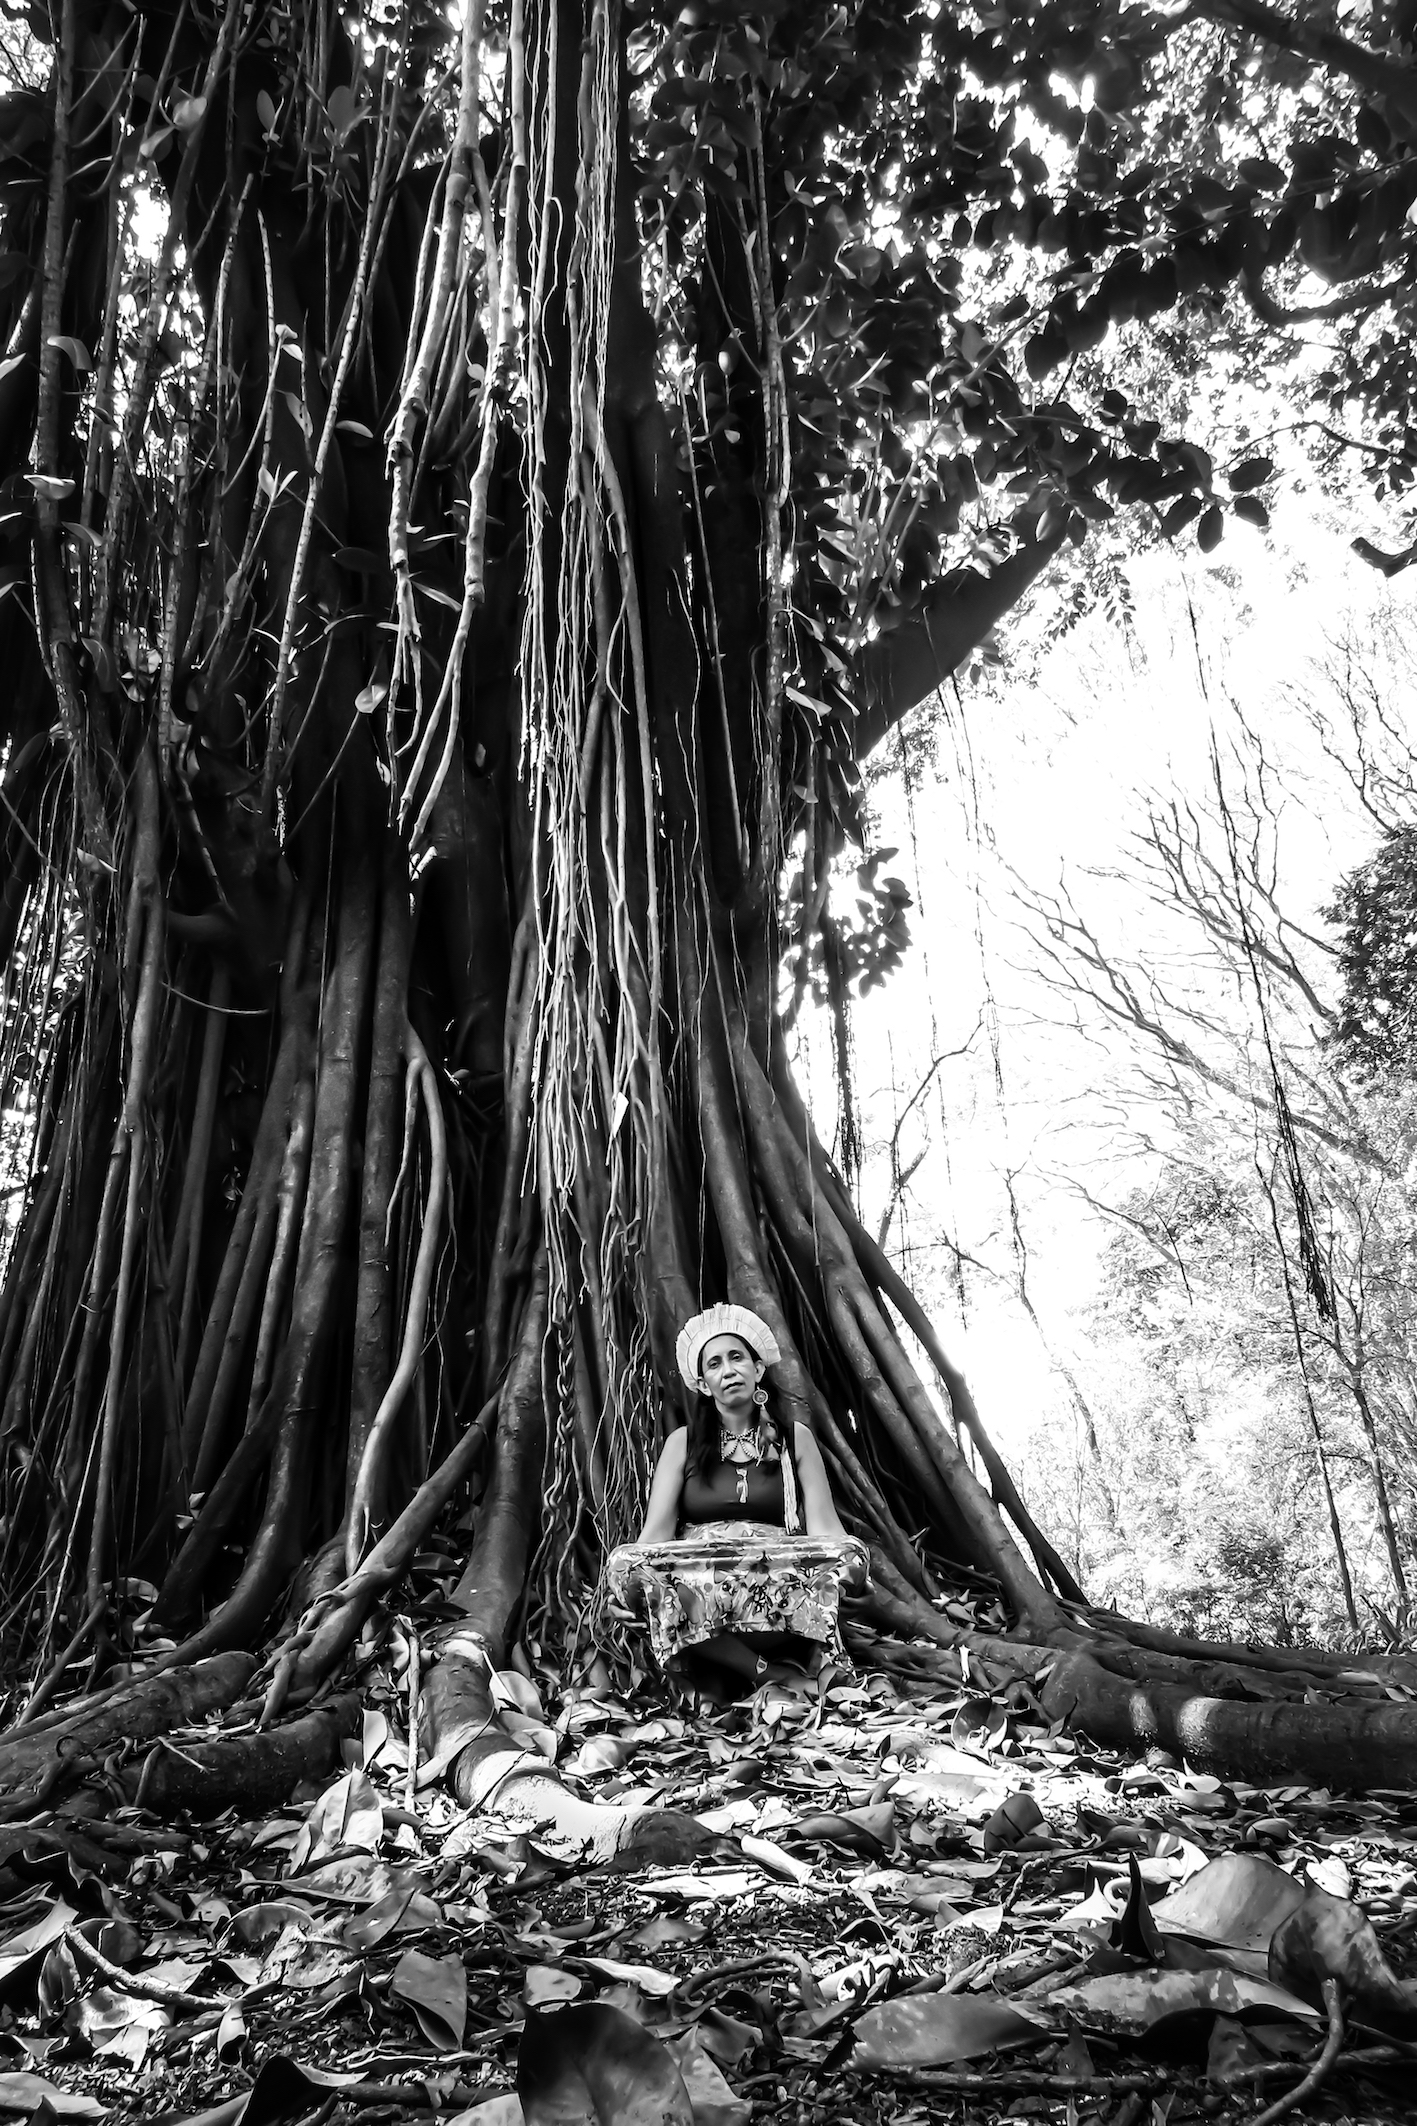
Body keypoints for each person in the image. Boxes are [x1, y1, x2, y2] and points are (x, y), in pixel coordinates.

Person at [604, 1303, 869, 1693]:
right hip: (697, 1581)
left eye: (736, 1358)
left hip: (776, 1572)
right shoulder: (684, 1442)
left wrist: (851, 1567)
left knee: (851, 1552)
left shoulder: (795, 1438)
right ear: (703, 1383)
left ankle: (776, 1658)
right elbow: (654, 1537)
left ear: (757, 1369)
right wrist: (631, 1583)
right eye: (714, 1364)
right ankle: (763, 1671)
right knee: (625, 1562)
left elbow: (826, 1532)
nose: (727, 1370)